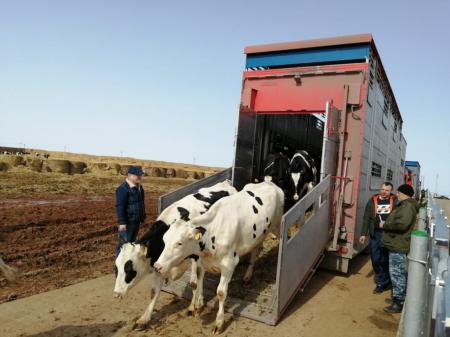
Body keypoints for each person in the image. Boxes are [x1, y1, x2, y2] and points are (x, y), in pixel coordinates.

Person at [381, 184, 418, 313]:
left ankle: (398, 302)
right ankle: (397, 298)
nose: (397, 195)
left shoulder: (407, 207)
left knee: (397, 273)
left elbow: (401, 225)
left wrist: (385, 224)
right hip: (397, 243)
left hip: (399, 244)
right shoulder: (407, 205)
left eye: (399, 193)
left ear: (404, 193)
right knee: (397, 272)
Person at [360, 182, 396, 294]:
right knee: (375, 259)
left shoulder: (395, 202)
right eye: (382, 189)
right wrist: (363, 234)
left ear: (391, 191)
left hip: (388, 234)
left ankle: (382, 282)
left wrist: (389, 223)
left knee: (385, 259)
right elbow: (366, 218)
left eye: (387, 190)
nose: (384, 192)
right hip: (375, 234)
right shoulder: (372, 201)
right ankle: (383, 279)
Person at [115, 166, 146, 259]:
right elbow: (120, 206)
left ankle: (127, 264)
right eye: (137, 175)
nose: (140, 177)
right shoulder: (123, 189)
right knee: (123, 245)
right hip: (127, 223)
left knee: (131, 244)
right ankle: (118, 267)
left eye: (140, 175)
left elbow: (141, 203)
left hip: (136, 221)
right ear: (130, 175)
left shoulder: (140, 188)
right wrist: (122, 222)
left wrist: (142, 216)